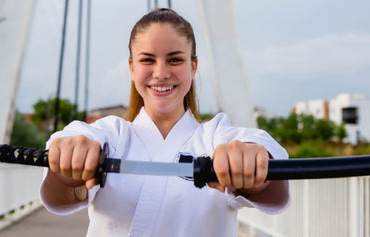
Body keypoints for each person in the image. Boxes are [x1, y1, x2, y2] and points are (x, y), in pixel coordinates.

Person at [41, 8, 289, 236]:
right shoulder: (110, 136)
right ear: (131, 67)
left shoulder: (216, 138)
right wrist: (69, 157)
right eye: (147, 60)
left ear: (194, 67)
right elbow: (64, 186)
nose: (160, 73)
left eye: (175, 60)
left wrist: (253, 162)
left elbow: (256, 153)